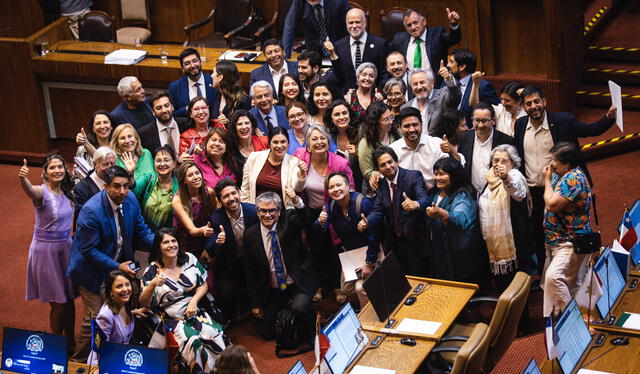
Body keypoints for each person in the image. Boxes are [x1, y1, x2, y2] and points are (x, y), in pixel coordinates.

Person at [513, 86, 616, 275]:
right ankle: (546, 273)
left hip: (562, 192)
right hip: (533, 190)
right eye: (528, 103)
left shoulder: (563, 121)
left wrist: (608, 118)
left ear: (545, 102)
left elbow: (590, 130)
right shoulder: (520, 125)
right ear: (523, 106)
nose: (533, 106)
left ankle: (573, 273)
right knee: (538, 232)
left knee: (567, 233)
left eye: (537, 101)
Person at [68, 165, 155, 361]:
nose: (122, 191)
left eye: (126, 186)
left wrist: (162, 246)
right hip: (91, 270)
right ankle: (79, 361)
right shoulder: (91, 211)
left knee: (120, 311)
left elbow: (141, 229)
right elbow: (88, 250)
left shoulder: (130, 199)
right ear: (105, 187)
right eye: (117, 186)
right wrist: (117, 266)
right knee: (96, 319)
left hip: (116, 266)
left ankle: (116, 355)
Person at [140, 227, 227, 372]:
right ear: (158, 247)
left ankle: (224, 370)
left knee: (214, 333)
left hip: (194, 312)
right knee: (194, 341)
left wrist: (194, 301)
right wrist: (152, 285)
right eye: (166, 242)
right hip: (171, 320)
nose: (171, 245)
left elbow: (203, 284)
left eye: (173, 241)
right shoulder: (151, 271)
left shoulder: (189, 259)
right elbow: (143, 302)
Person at [243, 190, 319, 342]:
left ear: (279, 212)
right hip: (275, 289)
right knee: (267, 333)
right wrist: (255, 303)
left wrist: (296, 200)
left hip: (297, 282)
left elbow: (305, 217)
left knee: (300, 310)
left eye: (272, 210)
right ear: (257, 212)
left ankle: (308, 321)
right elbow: (250, 270)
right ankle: (290, 313)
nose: (267, 215)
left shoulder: (288, 221)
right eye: (263, 211)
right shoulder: (250, 235)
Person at [19, 155, 77, 350]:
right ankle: (56, 346)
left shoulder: (68, 192)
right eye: (52, 168)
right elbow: (30, 190)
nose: (57, 170)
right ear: (45, 172)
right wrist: (23, 179)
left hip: (66, 248)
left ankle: (70, 341)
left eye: (60, 167)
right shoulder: (41, 192)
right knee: (58, 303)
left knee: (69, 300)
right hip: (46, 252)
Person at [293, 124, 354, 302]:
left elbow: (350, 188)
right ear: (308, 144)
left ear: (328, 141)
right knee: (315, 249)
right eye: (314, 139)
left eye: (323, 138)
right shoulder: (300, 157)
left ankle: (336, 286)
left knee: (334, 249)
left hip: (334, 210)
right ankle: (318, 284)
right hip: (311, 211)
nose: (319, 142)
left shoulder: (340, 162)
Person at [541, 142, 594, 317]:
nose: (551, 164)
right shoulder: (562, 174)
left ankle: (573, 319)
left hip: (571, 241)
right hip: (562, 240)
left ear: (567, 163)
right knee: (572, 283)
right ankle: (579, 321)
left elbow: (551, 204)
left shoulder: (573, 179)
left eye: (555, 160)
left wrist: (547, 181)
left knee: (554, 277)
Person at [358, 146, 429, 276]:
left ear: (396, 161)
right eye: (383, 165)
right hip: (395, 242)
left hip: (416, 240)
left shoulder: (413, 176)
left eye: (390, 162)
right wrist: (367, 222)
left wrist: (416, 204)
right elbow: (378, 210)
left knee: (420, 280)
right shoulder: (381, 184)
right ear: (378, 169)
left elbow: (425, 199)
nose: (388, 166)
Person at [425, 157, 488, 286]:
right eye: (436, 174)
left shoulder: (463, 196)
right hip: (441, 253)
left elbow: (460, 218)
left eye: (442, 174)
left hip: (460, 257)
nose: (438, 178)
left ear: (454, 175)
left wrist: (442, 213)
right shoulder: (436, 193)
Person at [205, 179, 259, 324]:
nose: (231, 198)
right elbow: (209, 247)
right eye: (226, 196)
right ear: (220, 201)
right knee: (227, 294)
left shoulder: (253, 211)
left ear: (239, 193)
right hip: (229, 265)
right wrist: (217, 242)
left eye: (233, 193)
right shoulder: (216, 218)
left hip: (252, 262)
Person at [478, 144, 532, 291]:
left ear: (513, 163)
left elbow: (518, 193)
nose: (498, 164)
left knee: (516, 288)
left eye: (503, 161)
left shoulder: (515, 176)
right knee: (502, 287)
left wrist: (506, 178)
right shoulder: (490, 178)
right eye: (496, 160)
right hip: (494, 244)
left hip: (515, 243)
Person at [316, 171, 374, 308]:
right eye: (331, 187)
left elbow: (375, 235)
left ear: (348, 186)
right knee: (346, 290)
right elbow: (323, 228)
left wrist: (369, 262)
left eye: (339, 185)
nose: (335, 189)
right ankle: (364, 306)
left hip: (369, 252)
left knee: (361, 287)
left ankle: (370, 318)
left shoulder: (362, 202)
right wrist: (320, 221)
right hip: (350, 254)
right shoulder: (331, 204)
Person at [390, 106, 461, 190]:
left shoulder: (436, 144)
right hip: (404, 196)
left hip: (433, 194)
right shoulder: (393, 150)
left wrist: (452, 151)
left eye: (415, 125)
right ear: (399, 127)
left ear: (422, 124)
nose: (412, 129)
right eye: (407, 126)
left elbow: (456, 168)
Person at [390, 8, 461, 87]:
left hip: (436, 87)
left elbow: (454, 39)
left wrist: (454, 24)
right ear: (405, 27)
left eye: (415, 23)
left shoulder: (437, 34)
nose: (413, 27)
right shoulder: (399, 39)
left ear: (424, 21)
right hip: (410, 89)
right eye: (409, 25)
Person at [325, 8, 388, 92]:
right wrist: (332, 54)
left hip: (373, 97)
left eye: (357, 22)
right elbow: (338, 76)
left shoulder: (380, 44)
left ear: (365, 23)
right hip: (347, 97)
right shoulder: (339, 45)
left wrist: (379, 93)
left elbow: (385, 74)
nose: (354, 26)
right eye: (350, 23)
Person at [241, 127, 307, 208]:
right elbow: (245, 190)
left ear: (288, 144)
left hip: (281, 212)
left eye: (283, 142)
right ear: (269, 144)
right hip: (256, 211)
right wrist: (248, 211)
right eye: (275, 142)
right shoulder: (254, 157)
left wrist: (302, 174)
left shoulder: (294, 162)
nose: (279, 146)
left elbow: (298, 188)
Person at [86, 270, 142, 365]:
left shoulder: (124, 304)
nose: (125, 289)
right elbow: (100, 349)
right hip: (104, 362)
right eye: (119, 286)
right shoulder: (105, 316)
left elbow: (119, 318)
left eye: (127, 284)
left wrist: (135, 312)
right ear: (110, 292)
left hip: (120, 356)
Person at [457, 102, 514, 195]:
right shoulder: (464, 138)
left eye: (484, 121)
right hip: (470, 195)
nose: (480, 125)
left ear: (493, 121)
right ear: (472, 120)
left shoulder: (506, 141)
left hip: (496, 195)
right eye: (477, 120)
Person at [172, 161, 217, 259]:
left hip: (206, 240)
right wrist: (203, 229)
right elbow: (192, 230)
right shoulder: (178, 200)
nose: (196, 177)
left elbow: (216, 214)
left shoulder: (209, 192)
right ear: (184, 180)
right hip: (186, 244)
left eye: (197, 173)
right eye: (190, 175)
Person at [400, 68, 461, 137]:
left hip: (439, 145)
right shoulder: (406, 107)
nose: (419, 87)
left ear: (432, 83)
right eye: (415, 84)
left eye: (422, 82)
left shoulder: (443, 95)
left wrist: (449, 79)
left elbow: (456, 97)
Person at [132, 145, 179, 233]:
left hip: (168, 235)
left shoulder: (179, 187)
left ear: (174, 163)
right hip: (144, 233)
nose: (162, 164)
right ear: (154, 163)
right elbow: (133, 191)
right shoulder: (148, 178)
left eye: (166, 160)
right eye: (158, 160)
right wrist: (130, 173)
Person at [444, 49, 499, 120]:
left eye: (451, 62)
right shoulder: (448, 81)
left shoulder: (483, 86)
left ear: (462, 67)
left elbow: (495, 111)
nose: (448, 65)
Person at [282, 0, 350, 58]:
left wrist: (346, 53)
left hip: (338, 48)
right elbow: (290, 27)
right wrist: (285, 57)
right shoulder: (299, 2)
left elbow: (350, 27)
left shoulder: (339, 1)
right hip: (313, 51)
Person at [357, 101, 400, 191]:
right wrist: (376, 174)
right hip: (378, 184)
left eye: (391, 117)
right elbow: (367, 172)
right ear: (375, 122)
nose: (391, 122)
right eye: (386, 119)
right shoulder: (366, 143)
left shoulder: (396, 133)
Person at [168, 48, 218, 117]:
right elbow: (172, 113)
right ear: (182, 68)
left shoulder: (213, 81)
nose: (192, 65)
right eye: (187, 63)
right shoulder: (175, 87)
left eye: (195, 61)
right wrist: (187, 109)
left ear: (200, 62)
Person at [73, 146, 117, 223]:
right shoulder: (82, 188)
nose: (110, 168)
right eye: (105, 164)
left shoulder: (118, 181)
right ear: (94, 164)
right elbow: (82, 218)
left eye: (112, 164)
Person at [73, 110, 114, 182]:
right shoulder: (83, 149)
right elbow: (76, 174)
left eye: (105, 122)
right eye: (98, 123)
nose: (102, 126)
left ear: (111, 126)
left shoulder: (118, 148)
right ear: (93, 129)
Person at [211, 61, 252, 128]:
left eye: (213, 72)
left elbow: (247, 124)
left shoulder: (242, 100)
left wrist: (228, 121)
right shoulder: (215, 94)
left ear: (220, 77)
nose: (211, 75)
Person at [178, 96, 211, 161]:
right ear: (191, 114)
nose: (201, 112)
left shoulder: (218, 125)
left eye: (204, 108)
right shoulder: (186, 137)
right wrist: (194, 154)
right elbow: (184, 162)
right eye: (196, 109)